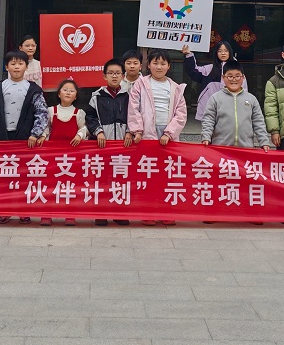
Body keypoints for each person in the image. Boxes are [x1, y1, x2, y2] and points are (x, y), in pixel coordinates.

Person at [0, 49, 48, 225]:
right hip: (3, 137)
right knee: (4, 176)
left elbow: (42, 113)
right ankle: (4, 211)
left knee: (24, 176)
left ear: (26, 66)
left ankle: (23, 211)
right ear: (6, 67)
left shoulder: (33, 89)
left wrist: (35, 133)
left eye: (20, 63)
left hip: (25, 139)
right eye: (13, 63)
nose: (17, 67)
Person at [128, 48, 187, 226]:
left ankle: (167, 211)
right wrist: (137, 130)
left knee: (168, 175)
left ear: (169, 66)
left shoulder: (176, 88)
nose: (159, 67)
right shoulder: (140, 84)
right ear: (149, 65)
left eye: (163, 63)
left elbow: (181, 114)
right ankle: (149, 212)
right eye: (155, 63)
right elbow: (133, 108)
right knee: (149, 175)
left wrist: (169, 133)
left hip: (168, 136)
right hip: (147, 134)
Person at [86, 58, 132, 226]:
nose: (114, 76)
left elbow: (134, 117)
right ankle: (101, 212)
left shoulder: (129, 96)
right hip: (103, 145)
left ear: (123, 76)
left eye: (118, 73)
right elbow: (90, 117)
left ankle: (119, 213)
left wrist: (130, 131)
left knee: (120, 179)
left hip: (123, 145)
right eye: (111, 73)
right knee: (102, 179)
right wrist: (98, 131)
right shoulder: (96, 96)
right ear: (104, 76)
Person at [41, 78, 87, 227]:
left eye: (72, 91)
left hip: (72, 157)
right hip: (52, 156)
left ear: (76, 96)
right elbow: (46, 127)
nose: (68, 92)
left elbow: (84, 128)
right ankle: (46, 214)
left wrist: (79, 135)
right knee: (50, 185)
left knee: (70, 185)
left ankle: (70, 214)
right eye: (65, 89)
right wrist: (43, 136)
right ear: (59, 93)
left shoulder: (79, 113)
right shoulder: (51, 111)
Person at [201, 61, 270, 151]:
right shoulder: (215, 98)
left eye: (237, 76)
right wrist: (206, 137)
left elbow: (258, 122)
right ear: (223, 77)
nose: (234, 79)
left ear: (243, 77)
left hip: (246, 149)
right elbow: (208, 120)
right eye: (230, 76)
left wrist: (264, 141)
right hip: (220, 149)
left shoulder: (251, 99)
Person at [182, 41, 244, 122]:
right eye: (220, 51)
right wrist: (189, 55)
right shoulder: (209, 69)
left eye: (226, 51)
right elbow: (193, 71)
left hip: (230, 111)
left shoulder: (238, 71)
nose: (223, 53)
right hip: (209, 110)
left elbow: (243, 90)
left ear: (230, 52)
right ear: (216, 53)